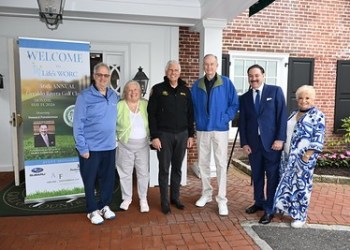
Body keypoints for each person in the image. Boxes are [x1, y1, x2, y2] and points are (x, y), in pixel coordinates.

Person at [238, 64, 288, 224]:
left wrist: (280, 139)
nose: (254, 79)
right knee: (257, 175)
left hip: (272, 144)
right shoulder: (244, 97)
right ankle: (258, 202)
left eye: (256, 75)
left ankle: (269, 209)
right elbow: (243, 122)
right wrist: (244, 142)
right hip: (253, 145)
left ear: (263, 75)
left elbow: (282, 116)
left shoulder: (275, 91)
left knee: (272, 177)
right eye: (251, 76)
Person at [191, 54, 239, 216]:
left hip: (220, 129)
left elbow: (234, 104)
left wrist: (224, 118)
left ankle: (222, 199)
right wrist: (197, 121)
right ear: (203, 66)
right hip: (203, 129)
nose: (209, 67)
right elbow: (191, 108)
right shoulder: (197, 85)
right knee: (203, 163)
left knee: (220, 164)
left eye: (212, 64)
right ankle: (206, 194)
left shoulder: (226, 83)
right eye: (206, 64)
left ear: (217, 65)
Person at [73, 62, 119, 225]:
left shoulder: (114, 96)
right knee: (90, 180)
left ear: (109, 77)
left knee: (107, 179)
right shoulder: (84, 96)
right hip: (90, 149)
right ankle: (92, 210)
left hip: (109, 147)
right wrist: (82, 147)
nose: (103, 78)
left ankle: (104, 206)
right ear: (94, 76)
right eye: (99, 75)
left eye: (106, 75)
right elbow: (77, 124)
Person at [274, 85, 325, 228]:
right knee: (288, 184)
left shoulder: (318, 115)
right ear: (297, 100)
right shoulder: (293, 113)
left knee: (301, 187)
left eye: (307, 98)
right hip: (286, 157)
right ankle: (286, 208)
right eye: (301, 98)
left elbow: (318, 139)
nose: (304, 101)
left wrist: (307, 156)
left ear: (313, 99)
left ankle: (300, 216)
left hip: (303, 159)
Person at [147, 60, 195, 214]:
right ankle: (165, 202)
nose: (173, 73)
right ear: (166, 71)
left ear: (179, 72)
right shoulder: (158, 89)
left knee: (177, 169)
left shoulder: (185, 91)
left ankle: (175, 198)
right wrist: (154, 136)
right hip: (164, 135)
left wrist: (191, 135)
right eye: (170, 70)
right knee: (164, 169)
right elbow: (151, 115)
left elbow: (190, 115)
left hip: (182, 135)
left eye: (176, 70)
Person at [116, 80, 150, 213]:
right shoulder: (119, 105)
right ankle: (127, 198)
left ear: (140, 92)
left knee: (143, 173)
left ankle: (143, 199)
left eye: (135, 90)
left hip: (142, 146)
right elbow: (111, 122)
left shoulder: (145, 104)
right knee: (125, 173)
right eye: (129, 90)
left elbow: (153, 119)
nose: (133, 93)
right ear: (125, 92)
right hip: (125, 145)